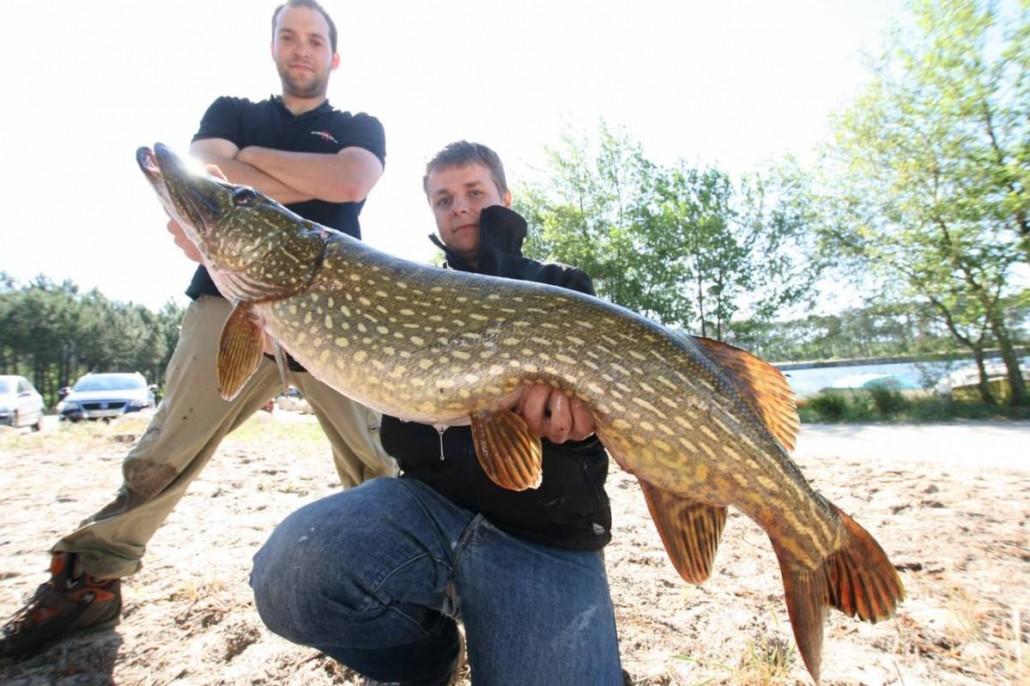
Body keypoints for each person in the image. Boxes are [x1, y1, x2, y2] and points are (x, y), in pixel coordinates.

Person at [0, 0, 395, 658]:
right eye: (289, 37)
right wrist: (273, 179)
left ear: (335, 55)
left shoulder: (359, 125)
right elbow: (200, 171)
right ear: (273, 47)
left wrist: (245, 174)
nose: (302, 49)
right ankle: (90, 579)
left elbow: (350, 179)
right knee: (164, 448)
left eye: (316, 39)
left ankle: (397, 586)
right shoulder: (228, 111)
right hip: (227, 299)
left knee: (379, 457)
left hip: (333, 310)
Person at [249, 141, 625, 685]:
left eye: (474, 192)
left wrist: (581, 431)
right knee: (293, 574)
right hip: (426, 514)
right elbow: (340, 349)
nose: (460, 207)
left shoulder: (561, 285)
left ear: (505, 196)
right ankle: (428, 660)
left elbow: (599, 421)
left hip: (543, 538)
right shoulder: (399, 292)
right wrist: (278, 331)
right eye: (443, 199)